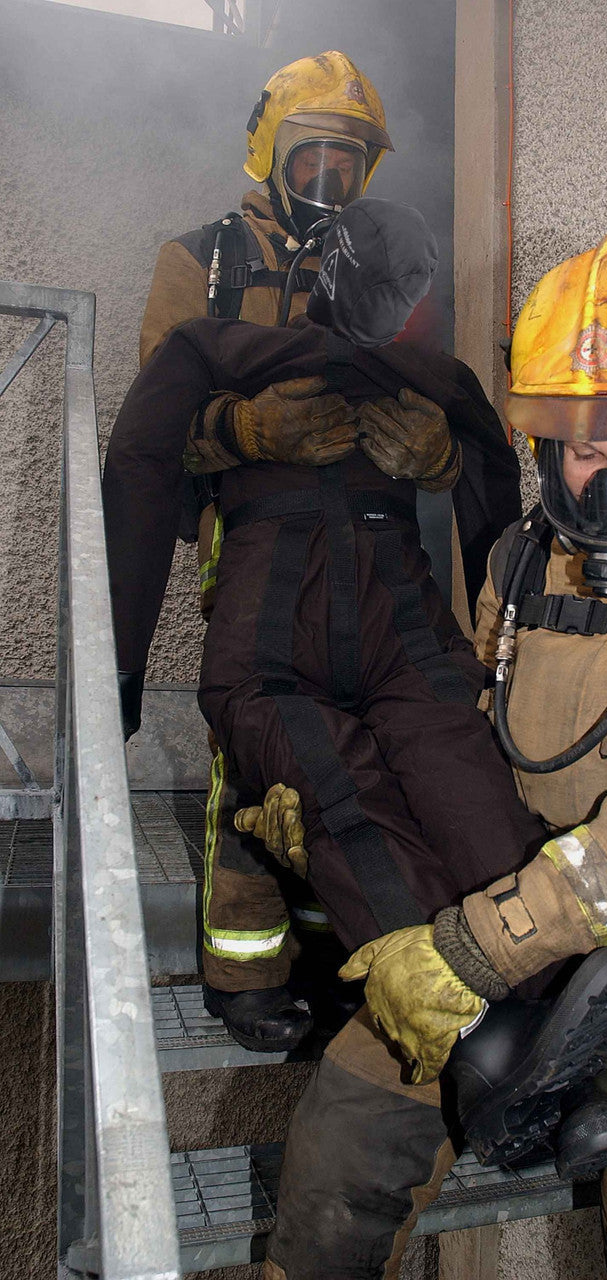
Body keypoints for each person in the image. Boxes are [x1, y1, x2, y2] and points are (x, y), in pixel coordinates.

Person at [250, 226, 607, 1280]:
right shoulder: (521, 562)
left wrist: (482, 943)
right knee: (347, 1134)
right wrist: (345, 819)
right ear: (547, 444)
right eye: (585, 450)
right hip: (511, 919)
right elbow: (461, 742)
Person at [105, 201, 607, 1166]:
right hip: (273, 624)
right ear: (323, 268)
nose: (396, 301)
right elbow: (145, 464)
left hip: (406, 621)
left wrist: (447, 464)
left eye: (411, 286)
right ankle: (484, 1061)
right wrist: (122, 660)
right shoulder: (215, 346)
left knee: (477, 800)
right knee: (343, 799)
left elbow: (497, 498)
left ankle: (568, 1068)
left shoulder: (436, 381)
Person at [131, 49, 432, 1051]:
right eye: (311, 162)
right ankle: (242, 971)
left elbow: (428, 395)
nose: (328, 185)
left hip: (364, 546)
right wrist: (247, 433)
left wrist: (429, 447)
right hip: (255, 539)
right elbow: (154, 416)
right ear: (271, 156)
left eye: (347, 167)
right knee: (255, 745)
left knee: (353, 747)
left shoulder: (386, 255)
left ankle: (344, 957)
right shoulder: (204, 259)